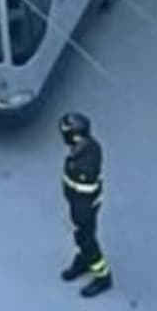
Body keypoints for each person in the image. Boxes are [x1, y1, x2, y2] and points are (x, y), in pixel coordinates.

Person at [58, 111, 113, 297]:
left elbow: (83, 188)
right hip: (79, 204)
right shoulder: (84, 148)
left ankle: (103, 276)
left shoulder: (86, 161)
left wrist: (79, 211)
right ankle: (83, 260)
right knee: (81, 235)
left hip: (84, 207)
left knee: (87, 239)